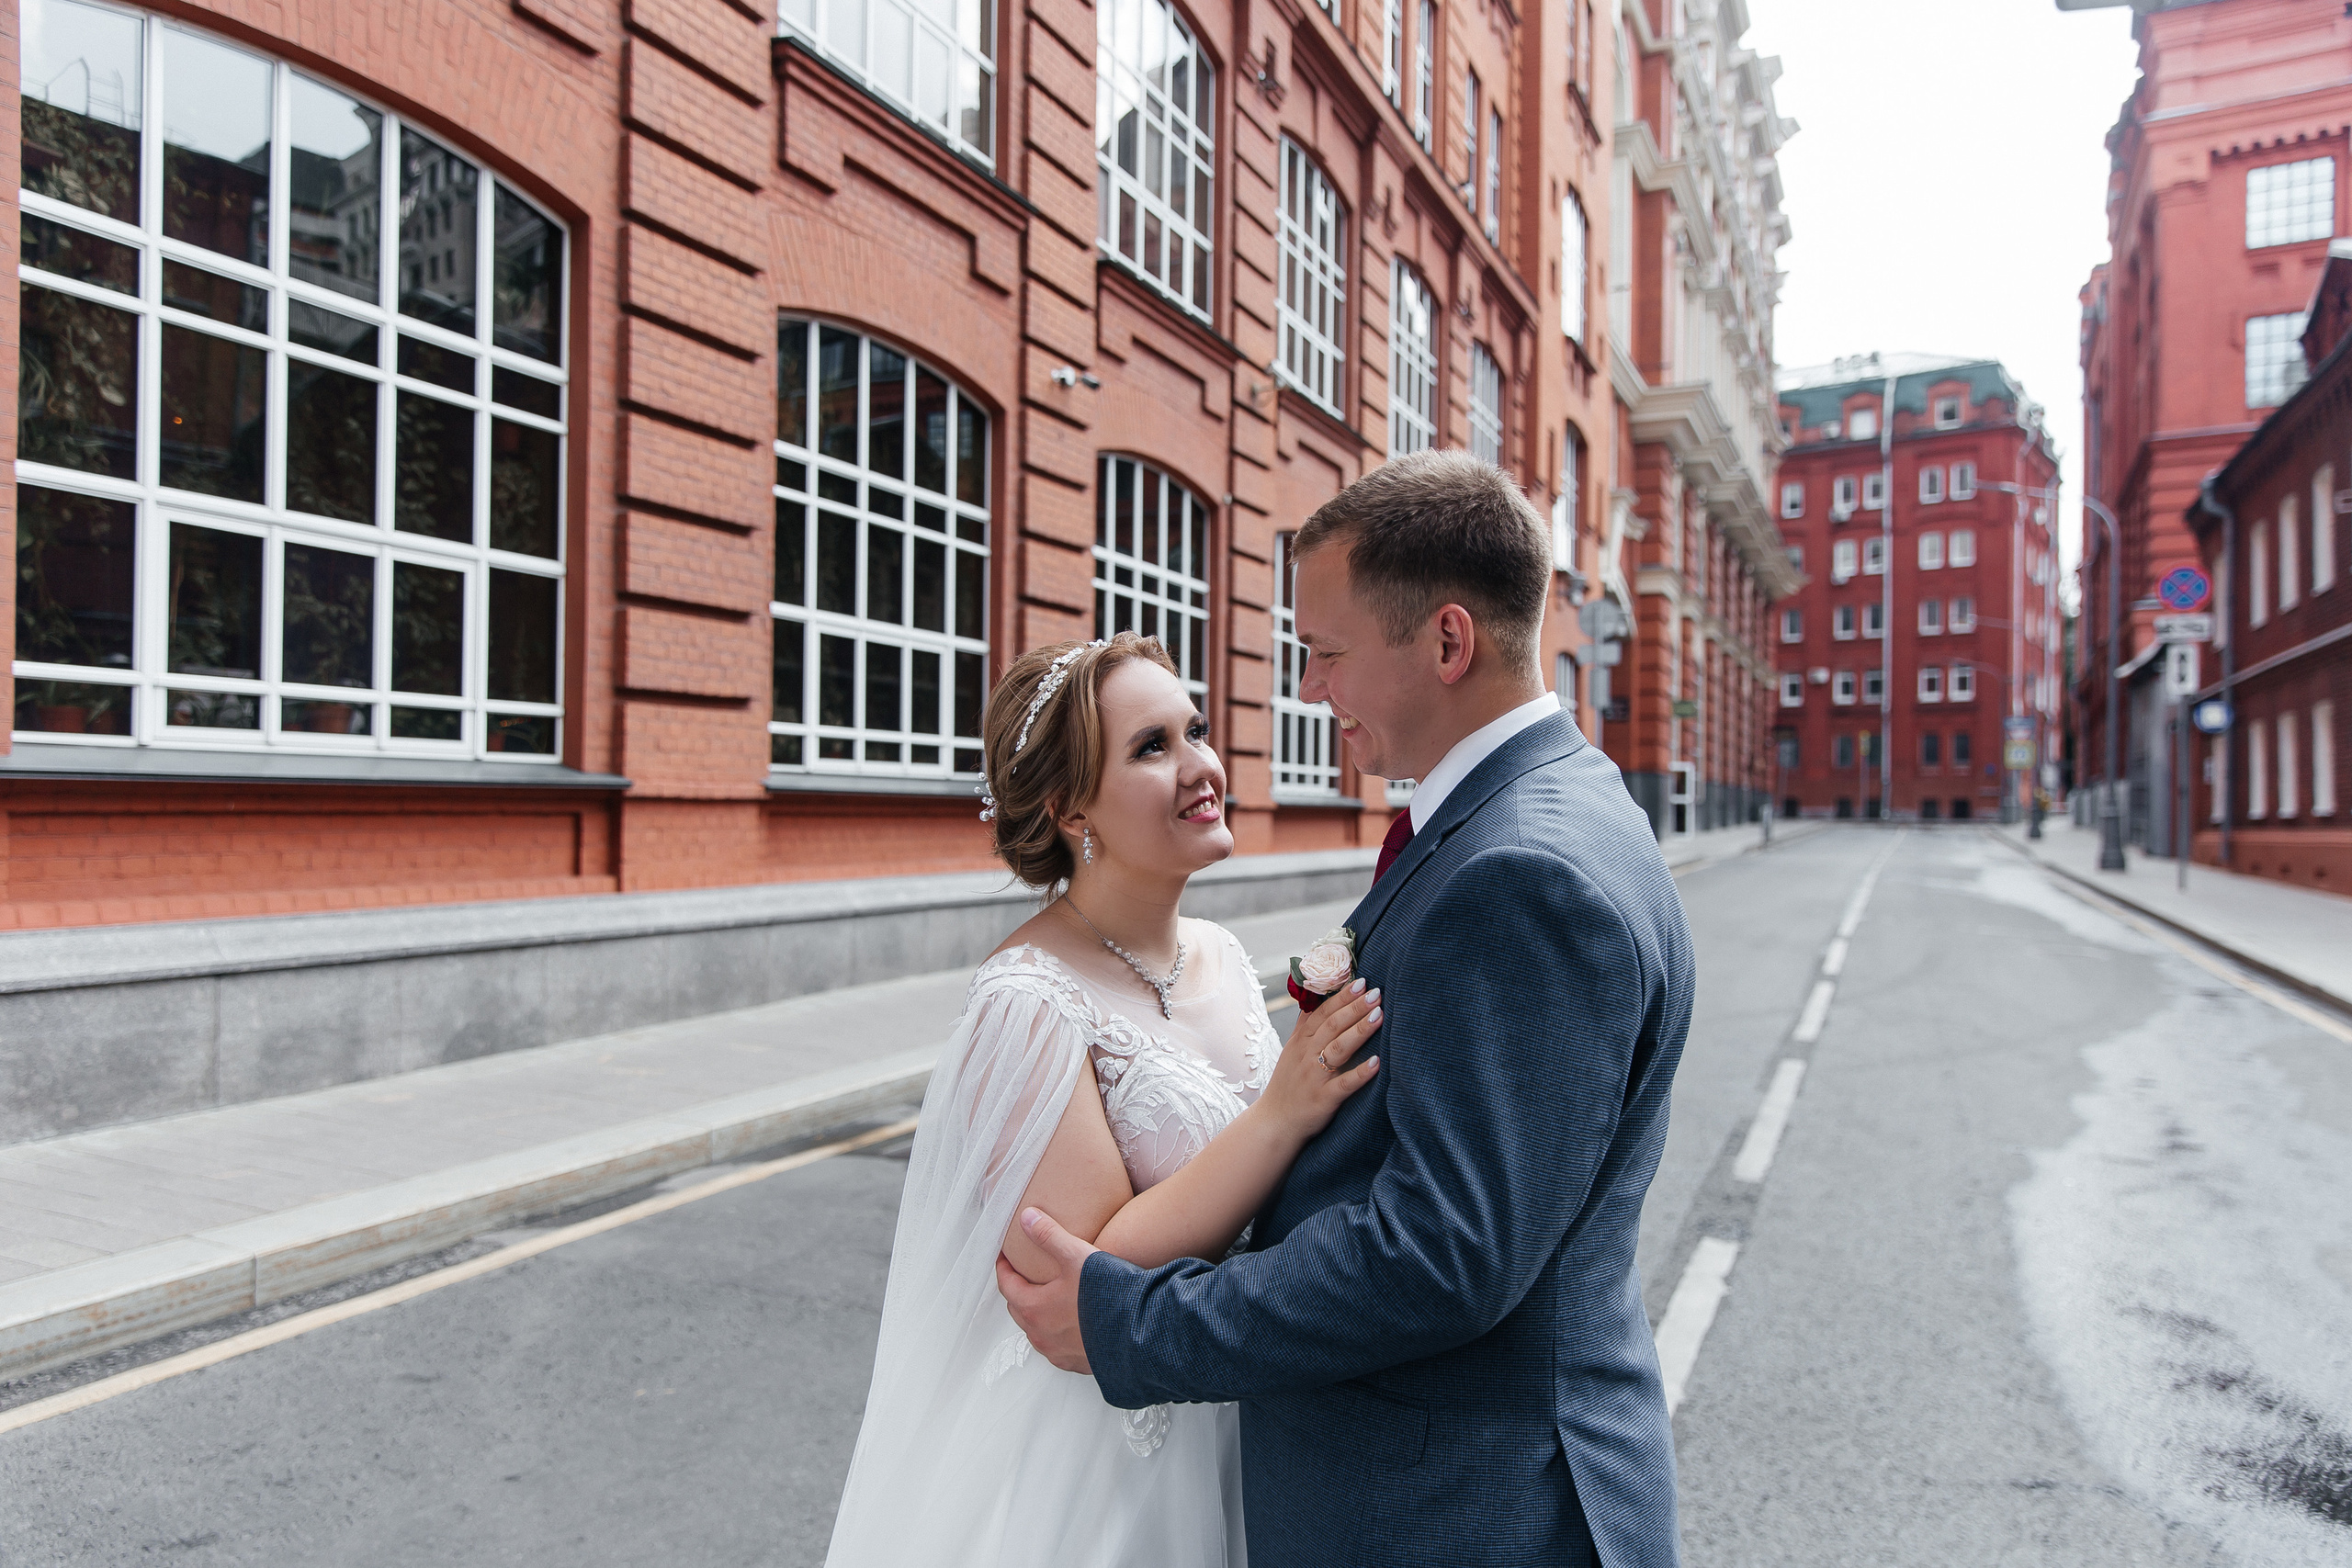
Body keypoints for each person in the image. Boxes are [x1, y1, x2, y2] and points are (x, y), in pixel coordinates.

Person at [1001, 451, 1697, 1568]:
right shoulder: (1547, 808)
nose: (1311, 690)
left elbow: (1440, 1254)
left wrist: (1134, 1327)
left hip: (1457, 1511)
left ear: (1447, 643)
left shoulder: (1522, 871)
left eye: (1325, 655)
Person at [824, 631, 1386, 1567]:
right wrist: (1282, 1113)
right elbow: (1086, 1277)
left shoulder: (1220, 952)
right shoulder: (1026, 1001)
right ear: (1068, 809)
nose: (1202, 767)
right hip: (1099, 1457)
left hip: (1241, 1399)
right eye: (1151, 748)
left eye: (1194, 730)